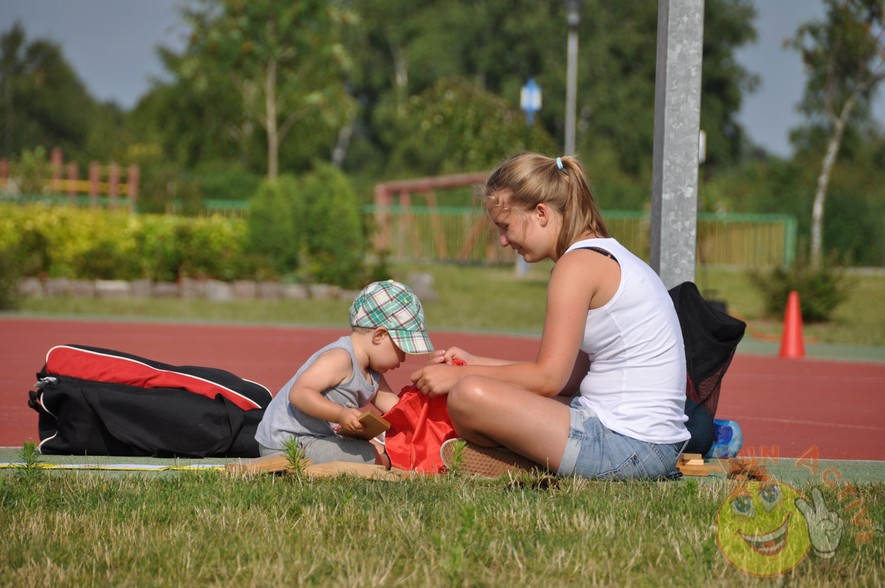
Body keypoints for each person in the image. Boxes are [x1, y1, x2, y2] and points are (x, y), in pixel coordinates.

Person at [409, 152, 690, 479]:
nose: (503, 241)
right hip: (649, 446)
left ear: (541, 213)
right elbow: (570, 379)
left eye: (505, 226)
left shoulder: (576, 267)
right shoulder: (605, 255)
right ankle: (532, 463)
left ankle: (524, 465)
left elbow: (548, 379)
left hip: (625, 446)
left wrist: (458, 377)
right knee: (474, 387)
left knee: (467, 396)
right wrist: (473, 363)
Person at [255, 280, 434, 466]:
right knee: (375, 457)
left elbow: (396, 408)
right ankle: (384, 462)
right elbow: (299, 393)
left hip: (318, 439)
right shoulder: (340, 358)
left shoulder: (372, 373)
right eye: (402, 349)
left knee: (379, 449)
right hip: (288, 443)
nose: (403, 359)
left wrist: (429, 423)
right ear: (379, 336)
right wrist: (340, 414)